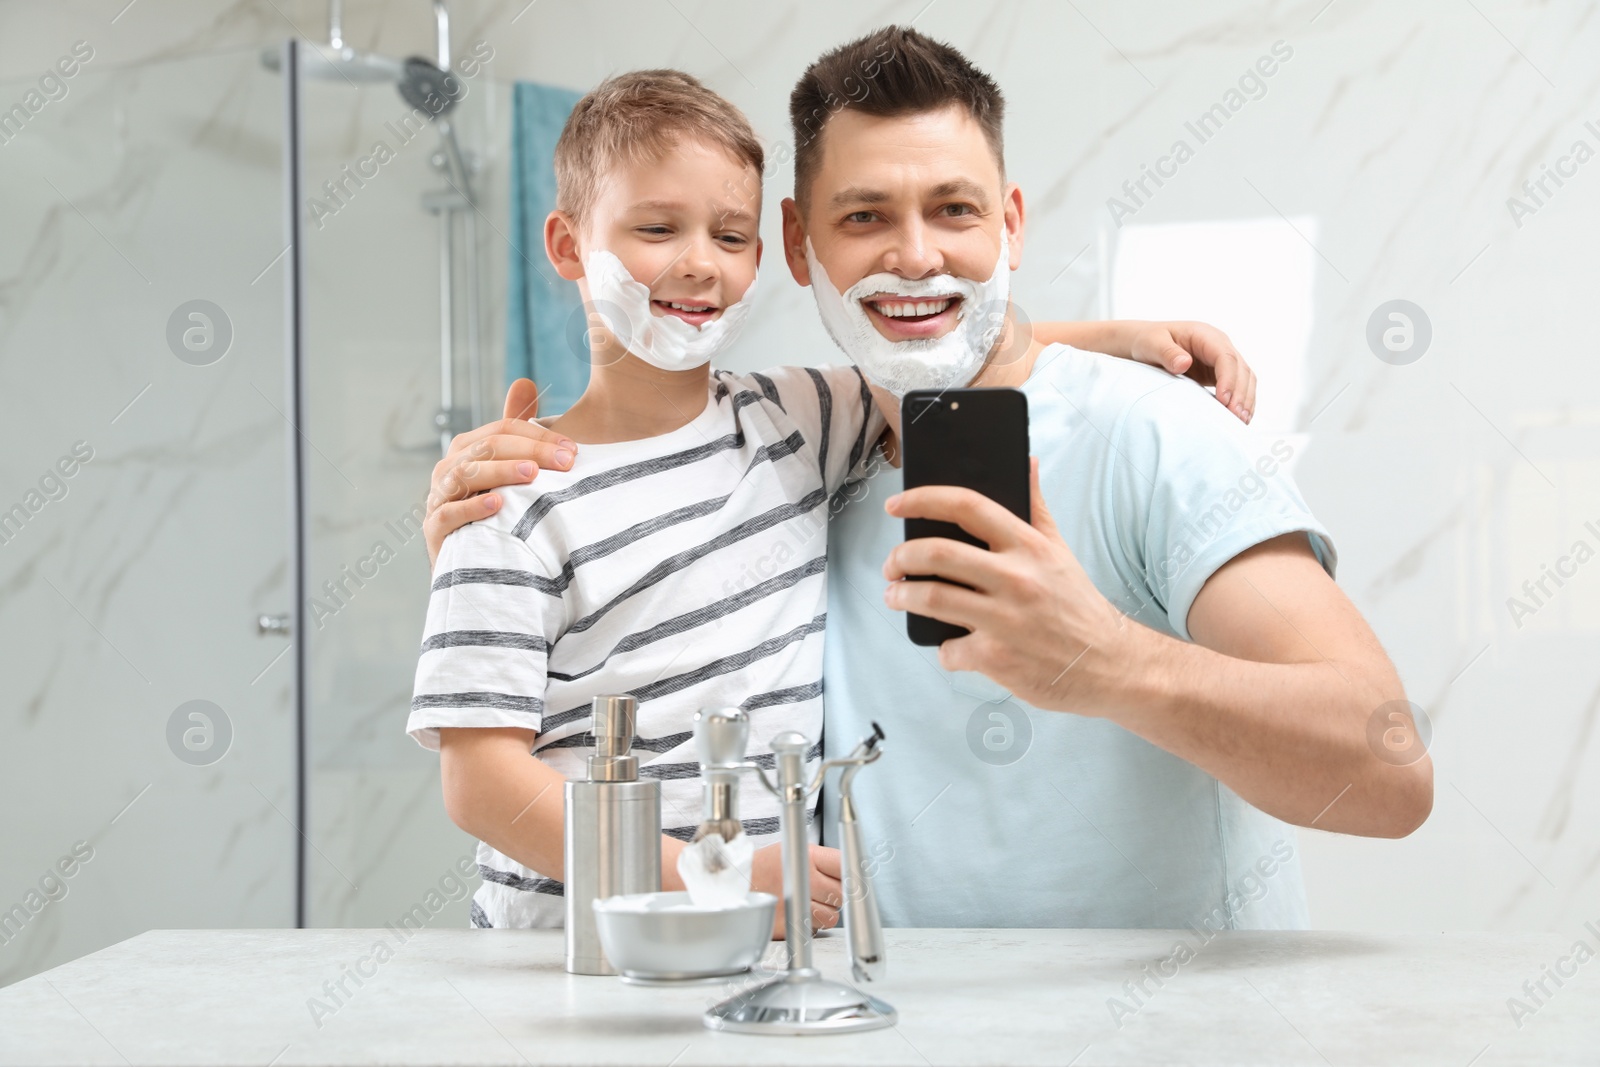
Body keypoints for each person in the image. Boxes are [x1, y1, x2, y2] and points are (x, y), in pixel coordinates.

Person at [417, 40, 1322, 933]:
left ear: (765, 251)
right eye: (656, 229)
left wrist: (1118, 337)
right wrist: (707, 876)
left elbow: (944, 341)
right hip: (576, 953)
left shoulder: (789, 422)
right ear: (569, 245)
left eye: (728, 236)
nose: (698, 262)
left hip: (751, 942)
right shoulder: (511, 496)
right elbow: (480, 782)